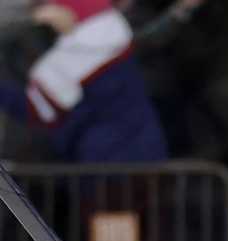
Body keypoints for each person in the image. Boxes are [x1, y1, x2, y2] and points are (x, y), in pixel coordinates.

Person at [0, 0, 166, 162]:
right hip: (145, 147)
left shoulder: (78, 55)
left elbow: (39, 111)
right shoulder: (115, 39)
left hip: (105, 157)